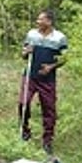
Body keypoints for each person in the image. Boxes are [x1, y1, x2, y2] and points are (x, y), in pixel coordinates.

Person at [18, 9, 68, 155]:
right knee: (23, 103)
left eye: (41, 19)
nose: (38, 22)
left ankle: (47, 140)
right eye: (38, 19)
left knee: (49, 110)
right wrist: (26, 52)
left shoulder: (59, 38)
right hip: (30, 76)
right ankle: (25, 131)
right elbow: (23, 54)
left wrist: (51, 67)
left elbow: (65, 58)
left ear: (49, 22)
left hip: (48, 80)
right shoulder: (31, 34)